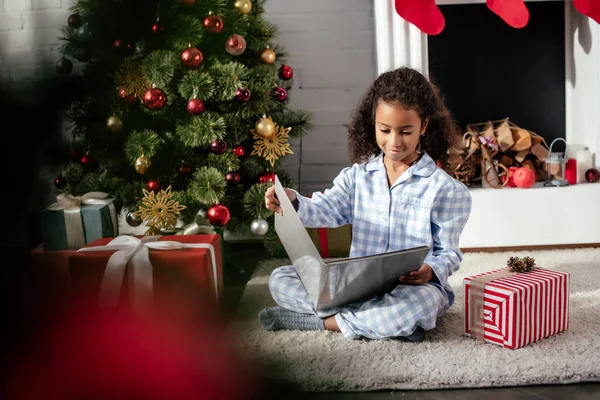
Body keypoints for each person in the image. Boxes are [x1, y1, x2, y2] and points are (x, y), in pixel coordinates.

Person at [259, 67, 472, 341]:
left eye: (406, 132)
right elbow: (325, 209)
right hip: (357, 284)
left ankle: (322, 322)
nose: (394, 142)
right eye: (385, 130)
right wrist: (293, 202)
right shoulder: (357, 177)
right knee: (280, 280)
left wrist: (431, 270)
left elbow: (448, 253)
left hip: (412, 287)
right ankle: (378, 322)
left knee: (420, 307)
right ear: (373, 123)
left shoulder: (445, 189)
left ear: (424, 127)